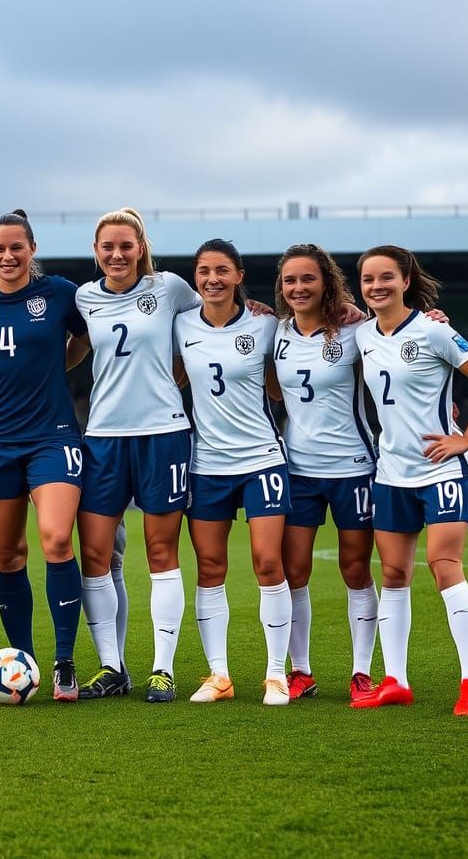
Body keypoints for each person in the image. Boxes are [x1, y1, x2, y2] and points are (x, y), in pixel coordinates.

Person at [353, 246, 468, 715]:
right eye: (368, 279)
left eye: (386, 278)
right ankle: (395, 680)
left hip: (442, 469)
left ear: (405, 280)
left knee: (443, 566)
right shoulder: (361, 335)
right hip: (391, 472)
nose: (376, 286)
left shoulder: (435, 330)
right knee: (393, 574)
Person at [0, 210, 88, 700]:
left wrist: (60, 362)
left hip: (52, 435)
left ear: (32, 248)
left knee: (55, 540)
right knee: (8, 554)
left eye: (16, 247)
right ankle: (23, 661)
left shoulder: (59, 293)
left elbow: (87, 334)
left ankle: (64, 661)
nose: (7, 257)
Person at [71, 208, 197, 703]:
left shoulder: (170, 287)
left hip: (163, 434)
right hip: (102, 437)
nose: (117, 254)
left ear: (141, 246)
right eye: (108, 247)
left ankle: (162, 669)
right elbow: (77, 347)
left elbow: (211, 321)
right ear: (96, 251)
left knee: (161, 553)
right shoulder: (84, 298)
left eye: (126, 245)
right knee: (97, 556)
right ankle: (111, 666)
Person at [174, 239, 293, 706]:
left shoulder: (266, 324)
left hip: (263, 459)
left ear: (239, 275)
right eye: (203, 271)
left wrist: (349, 310)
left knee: (268, 563)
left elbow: (310, 335)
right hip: (206, 465)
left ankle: (276, 675)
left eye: (222, 270)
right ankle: (219, 675)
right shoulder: (180, 324)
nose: (212, 279)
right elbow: (169, 374)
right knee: (209, 568)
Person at [272, 244, 379, 702]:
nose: (298, 288)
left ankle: (361, 672)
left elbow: (401, 351)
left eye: (307, 279)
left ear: (326, 283)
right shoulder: (272, 332)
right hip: (297, 470)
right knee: (293, 570)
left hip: (354, 466)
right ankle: (301, 671)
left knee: (355, 568)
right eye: (290, 280)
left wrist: (434, 319)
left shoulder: (358, 330)